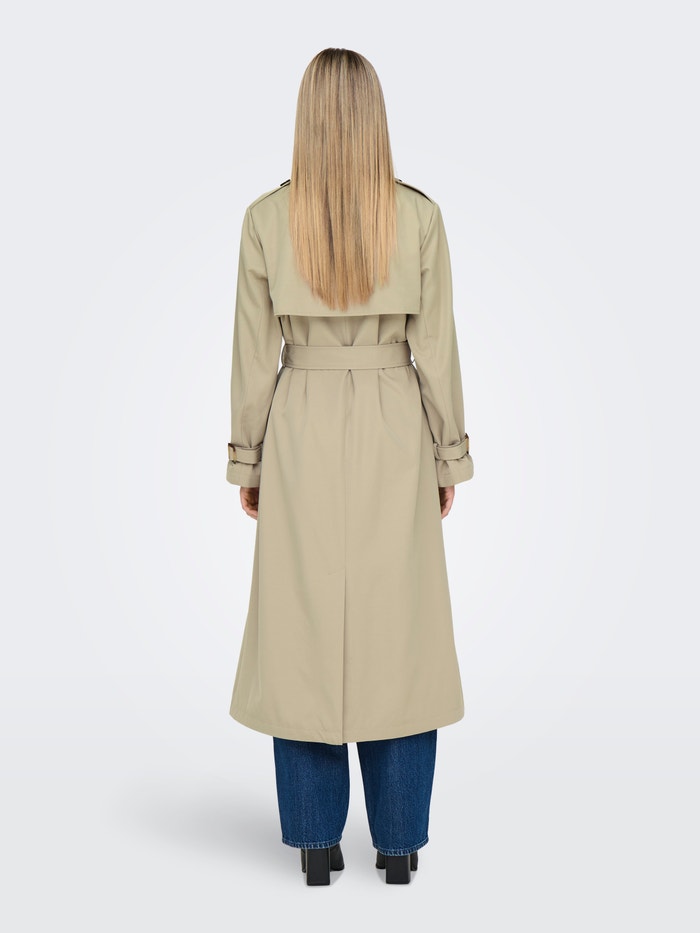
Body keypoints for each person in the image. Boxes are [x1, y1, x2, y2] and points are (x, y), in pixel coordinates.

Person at [225, 48, 475, 886]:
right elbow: (436, 346)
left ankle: (313, 842)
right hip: (396, 422)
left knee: (301, 628)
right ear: (376, 118)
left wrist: (248, 456)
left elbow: (252, 352)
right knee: (400, 632)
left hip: (298, 420)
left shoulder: (266, 219)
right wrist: (448, 452)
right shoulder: (419, 218)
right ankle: (399, 844)